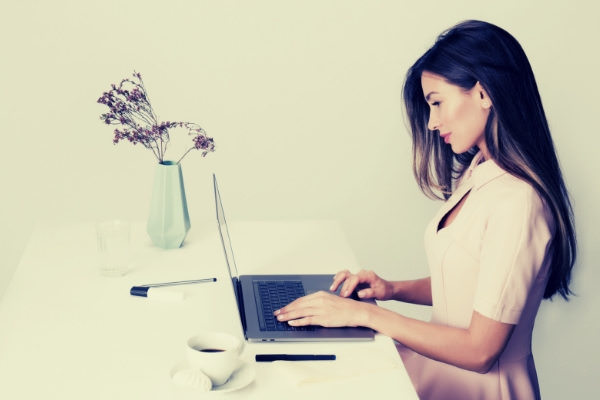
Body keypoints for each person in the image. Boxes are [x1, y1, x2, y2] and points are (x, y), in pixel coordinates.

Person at [273, 20, 576, 400]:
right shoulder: (480, 172)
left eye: (436, 102)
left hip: (482, 389)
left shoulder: (518, 201)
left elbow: (481, 351)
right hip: (440, 373)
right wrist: (390, 289)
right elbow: (471, 284)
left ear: (483, 93)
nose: (432, 123)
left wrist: (367, 315)